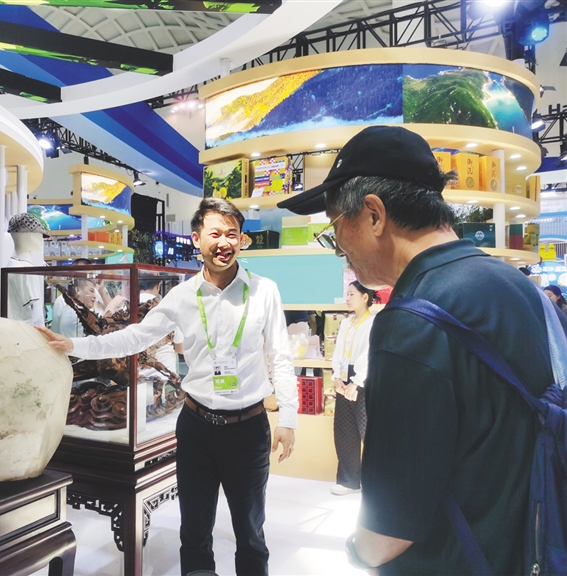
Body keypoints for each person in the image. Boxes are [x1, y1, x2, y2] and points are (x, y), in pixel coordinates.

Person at [278, 125, 566, 574]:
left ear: (374, 214)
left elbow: (389, 531)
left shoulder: (411, 320)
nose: (338, 249)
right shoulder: (520, 288)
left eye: (334, 228)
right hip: (536, 549)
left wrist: (357, 550)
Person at [36, 197, 298, 576]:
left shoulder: (264, 291)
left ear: (241, 239)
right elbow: (134, 338)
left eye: (231, 234)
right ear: (197, 239)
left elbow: (281, 357)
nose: (223, 243)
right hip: (196, 428)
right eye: (215, 234)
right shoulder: (182, 296)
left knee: (251, 532)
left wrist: (288, 418)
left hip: (248, 429)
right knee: (194, 532)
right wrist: (74, 345)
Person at [329, 280, 376, 496]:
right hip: (344, 381)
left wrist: (356, 382)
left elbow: (369, 354)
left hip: (363, 382)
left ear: (365, 297)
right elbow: (338, 352)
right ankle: (349, 481)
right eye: (346, 294)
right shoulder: (346, 323)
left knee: (369, 432)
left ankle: (379, 483)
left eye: (351, 294)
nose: (347, 298)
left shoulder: (373, 322)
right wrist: (337, 377)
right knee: (344, 431)